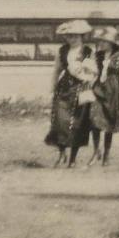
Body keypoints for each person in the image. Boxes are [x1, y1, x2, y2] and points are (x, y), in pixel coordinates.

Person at [45, 19, 96, 167]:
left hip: (80, 90)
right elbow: (56, 70)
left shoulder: (88, 52)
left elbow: (94, 72)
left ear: (82, 36)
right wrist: (52, 87)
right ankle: (62, 155)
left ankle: (73, 159)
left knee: (77, 124)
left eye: (75, 36)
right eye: (69, 36)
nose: (72, 39)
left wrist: (87, 76)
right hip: (64, 89)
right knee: (60, 122)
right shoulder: (62, 51)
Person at [88, 26, 119, 166]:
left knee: (108, 124)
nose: (102, 44)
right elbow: (93, 73)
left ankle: (106, 155)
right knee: (94, 120)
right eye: (101, 41)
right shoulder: (97, 56)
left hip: (113, 93)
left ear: (112, 43)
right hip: (98, 90)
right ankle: (96, 152)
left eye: (105, 41)